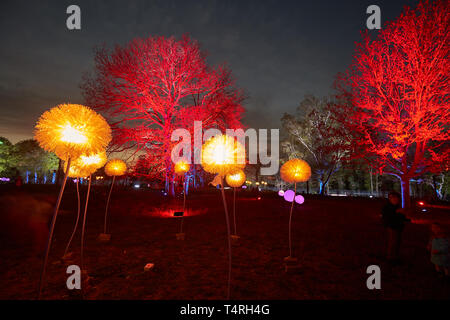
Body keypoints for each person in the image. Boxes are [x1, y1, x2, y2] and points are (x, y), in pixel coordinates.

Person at [381, 191, 410, 263]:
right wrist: (396, 213)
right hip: (392, 227)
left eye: (395, 198)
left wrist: (406, 219)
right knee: (392, 243)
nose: (394, 199)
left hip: (399, 226)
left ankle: (395, 256)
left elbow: (401, 216)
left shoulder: (397, 206)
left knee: (397, 242)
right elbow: (386, 217)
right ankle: (390, 257)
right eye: (391, 198)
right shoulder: (387, 207)